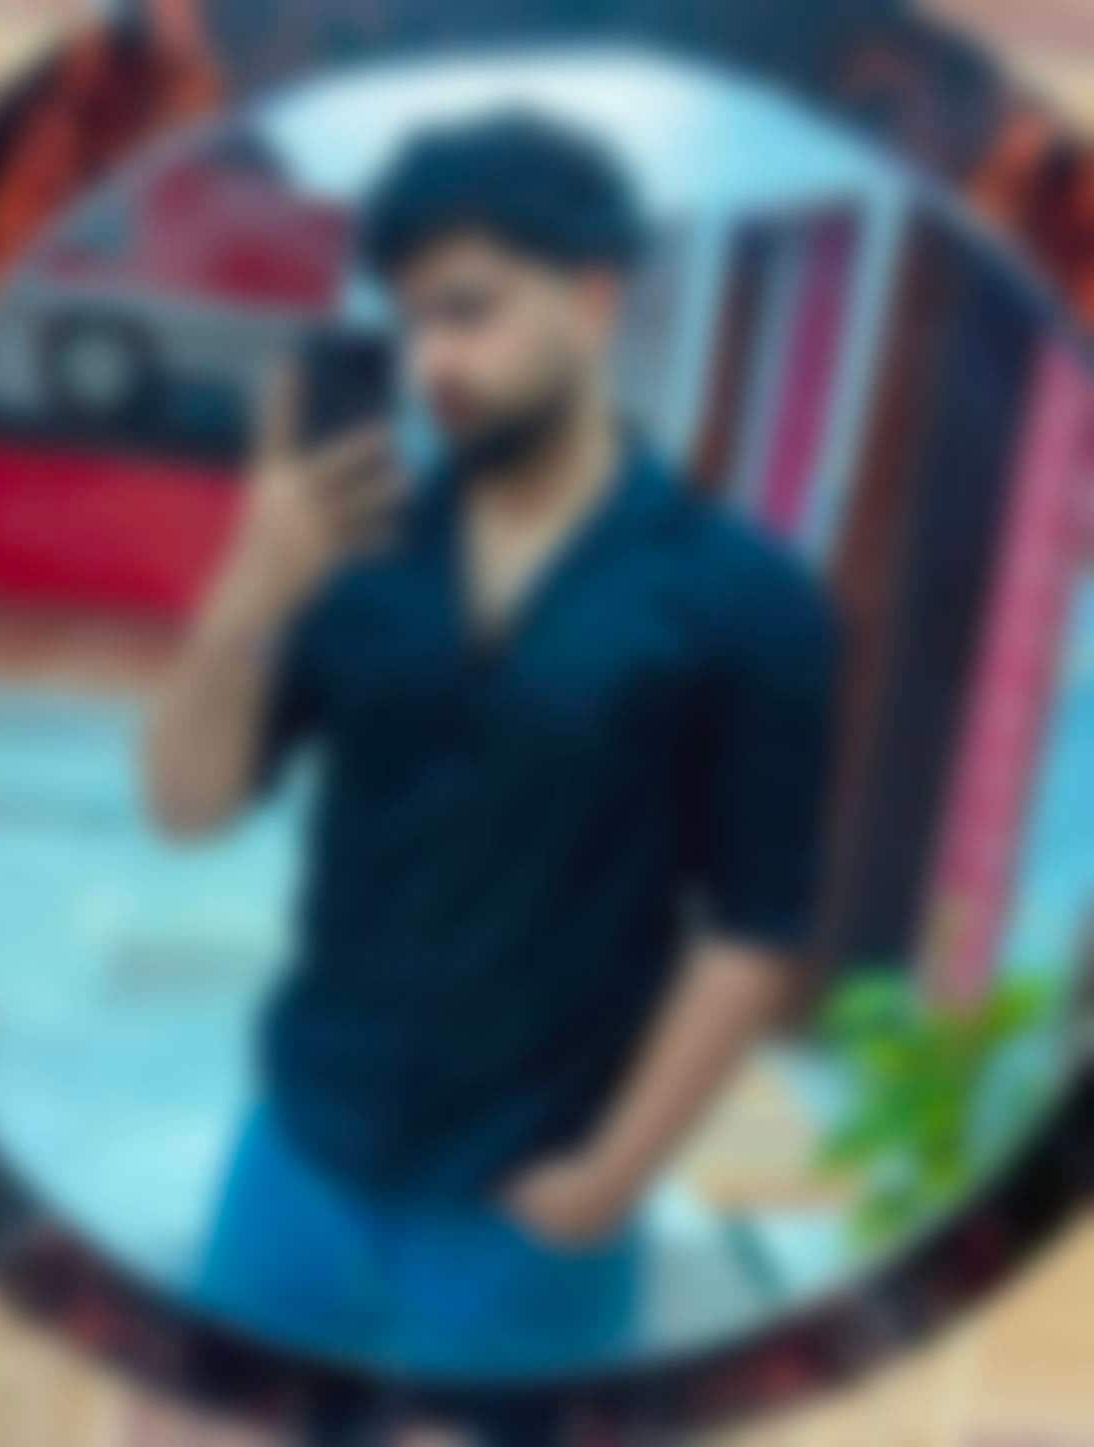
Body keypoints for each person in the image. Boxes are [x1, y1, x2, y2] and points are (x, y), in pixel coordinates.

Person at [144, 110, 841, 1387]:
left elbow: (755, 926)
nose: (432, 362)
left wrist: (611, 1178)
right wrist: (250, 583)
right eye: (409, 323)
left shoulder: (745, 597)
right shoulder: (355, 551)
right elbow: (185, 808)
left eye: (468, 311)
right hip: (298, 1156)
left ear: (592, 299)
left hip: (527, 1206)